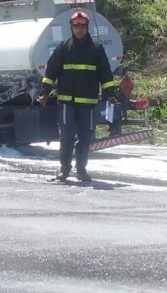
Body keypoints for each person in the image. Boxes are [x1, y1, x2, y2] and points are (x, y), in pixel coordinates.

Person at [37, 11, 117, 182]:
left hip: (88, 104)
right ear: (71, 28)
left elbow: (105, 74)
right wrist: (44, 92)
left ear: (87, 27)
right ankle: (64, 170)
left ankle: (81, 170)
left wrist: (109, 94)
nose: (79, 30)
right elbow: (51, 71)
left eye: (82, 26)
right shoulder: (63, 48)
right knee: (66, 137)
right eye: (76, 26)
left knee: (85, 138)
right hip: (67, 102)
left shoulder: (96, 49)